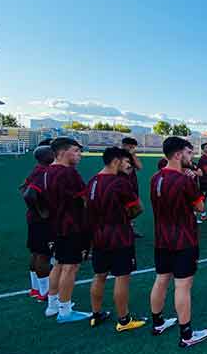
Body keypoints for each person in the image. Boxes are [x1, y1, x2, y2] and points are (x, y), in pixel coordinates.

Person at [149, 136, 207, 347]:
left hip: (161, 239)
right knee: (183, 285)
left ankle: (157, 323)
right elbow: (201, 207)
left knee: (161, 279)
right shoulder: (184, 180)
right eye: (188, 153)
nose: (191, 157)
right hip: (183, 239)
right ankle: (187, 335)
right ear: (178, 154)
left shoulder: (155, 178)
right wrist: (194, 181)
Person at [86, 147, 145, 331]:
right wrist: (126, 217)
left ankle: (96, 315)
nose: (127, 165)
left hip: (98, 236)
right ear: (115, 161)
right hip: (119, 236)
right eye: (124, 161)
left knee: (99, 275)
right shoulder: (120, 183)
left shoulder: (93, 181)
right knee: (122, 277)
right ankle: (124, 320)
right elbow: (138, 208)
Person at [44, 137, 92, 322]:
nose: (79, 155)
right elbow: (85, 199)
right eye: (76, 151)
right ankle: (65, 310)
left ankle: (53, 304)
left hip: (55, 225)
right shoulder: (69, 173)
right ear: (63, 152)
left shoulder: (48, 171)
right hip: (71, 226)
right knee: (70, 267)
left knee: (58, 263)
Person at [21, 144, 54, 302]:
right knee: (43, 255)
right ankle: (45, 291)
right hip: (41, 221)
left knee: (35, 253)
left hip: (33, 219)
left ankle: (36, 288)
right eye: (52, 153)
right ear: (46, 157)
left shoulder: (36, 170)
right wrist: (41, 211)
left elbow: (23, 188)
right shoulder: (43, 172)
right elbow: (28, 195)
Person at [121, 137, 144, 237]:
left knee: (135, 209)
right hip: (121, 188)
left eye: (134, 147)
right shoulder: (118, 156)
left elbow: (140, 167)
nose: (133, 149)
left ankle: (129, 226)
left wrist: (133, 154)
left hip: (132, 186)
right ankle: (124, 227)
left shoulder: (131, 156)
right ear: (125, 145)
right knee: (127, 208)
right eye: (131, 147)